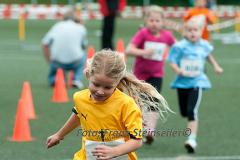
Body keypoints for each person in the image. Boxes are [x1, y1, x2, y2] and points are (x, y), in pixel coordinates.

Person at [46, 50, 172, 160]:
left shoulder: (126, 104)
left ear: (117, 82)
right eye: (96, 84)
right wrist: (59, 135)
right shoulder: (80, 97)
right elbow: (79, 114)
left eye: (107, 87)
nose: (100, 91)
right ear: (89, 75)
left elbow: (136, 141)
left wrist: (114, 152)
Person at [168, 16, 223, 153]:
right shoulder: (179, 46)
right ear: (185, 32)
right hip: (182, 83)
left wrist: (216, 66)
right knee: (184, 112)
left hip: (197, 82)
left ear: (201, 31)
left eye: (196, 30)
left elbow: (208, 55)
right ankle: (190, 129)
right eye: (189, 30)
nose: (193, 33)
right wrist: (178, 70)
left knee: (192, 111)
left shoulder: (204, 44)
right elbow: (172, 61)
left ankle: (191, 139)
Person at [126, 5, 176, 144]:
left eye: (157, 20)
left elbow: (177, 47)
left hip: (157, 74)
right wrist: (143, 52)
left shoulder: (167, 35)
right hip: (140, 75)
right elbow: (129, 49)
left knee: (154, 102)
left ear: (163, 21)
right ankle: (137, 129)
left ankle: (150, 132)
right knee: (139, 103)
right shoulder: (143, 33)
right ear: (146, 21)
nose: (154, 23)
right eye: (151, 20)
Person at [41, 9, 87, 89]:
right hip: (75, 61)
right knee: (83, 53)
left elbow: (45, 44)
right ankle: (76, 79)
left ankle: (55, 79)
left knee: (55, 66)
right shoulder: (80, 28)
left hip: (57, 62)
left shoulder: (57, 26)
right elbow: (83, 46)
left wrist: (50, 61)